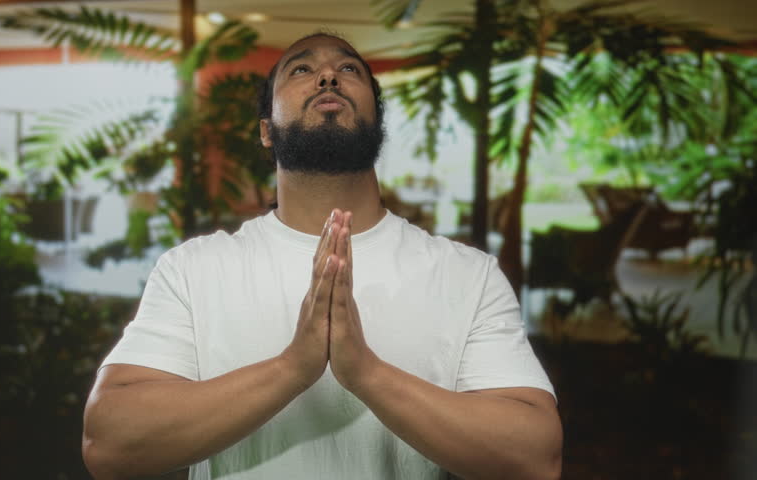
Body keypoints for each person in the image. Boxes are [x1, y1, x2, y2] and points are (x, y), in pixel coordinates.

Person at [82, 33, 562, 480]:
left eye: (348, 70)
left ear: (378, 121)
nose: (328, 77)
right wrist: (293, 367)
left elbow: (536, 457)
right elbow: (108, 443)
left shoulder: (467, 274)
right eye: (301, 70)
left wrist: (367, 374)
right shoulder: (192, 268)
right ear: (267, 131)